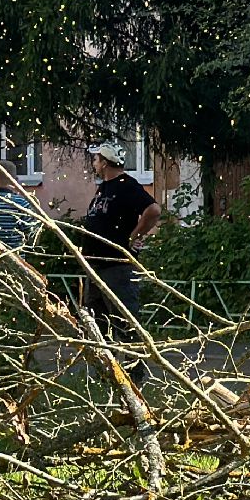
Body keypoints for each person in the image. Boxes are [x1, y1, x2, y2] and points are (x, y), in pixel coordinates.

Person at [79, 140, 161, 351]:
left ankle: (135, 372)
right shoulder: (104, 188)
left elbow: (153, 210)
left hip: (117, 266)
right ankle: (109, 374)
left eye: (96, 160)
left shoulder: (127, 186)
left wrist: (134, 236)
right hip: (96, 265)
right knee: (98, 325)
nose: (94, 164)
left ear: (105, 162)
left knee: (125, 323)